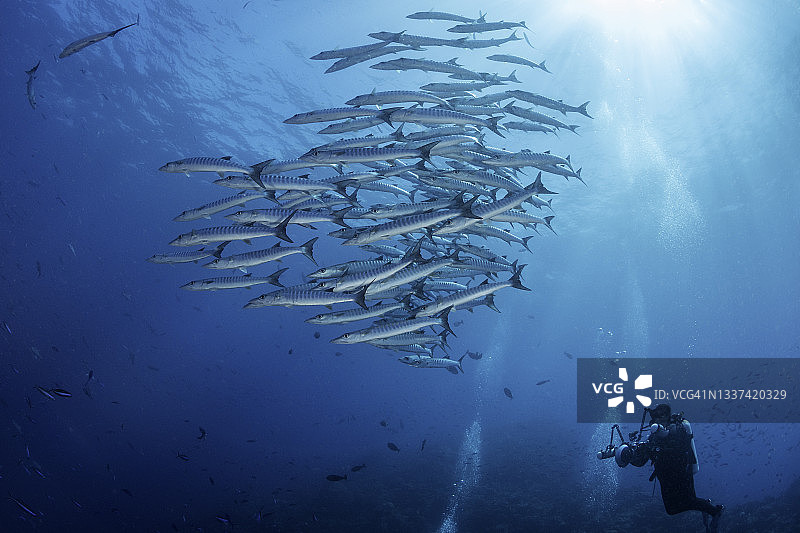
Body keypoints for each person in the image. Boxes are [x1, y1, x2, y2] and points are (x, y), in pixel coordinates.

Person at [644, 404, 724, 532]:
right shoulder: (654, 433)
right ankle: (705, 505)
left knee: (690, 500)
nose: (656, 420)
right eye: (655, 417)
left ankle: (715, 512)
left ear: (665, 416)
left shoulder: (678, 428)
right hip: (664, 474)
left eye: (659, 416)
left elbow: (681, 448)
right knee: (671, 509)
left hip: (682, 470)